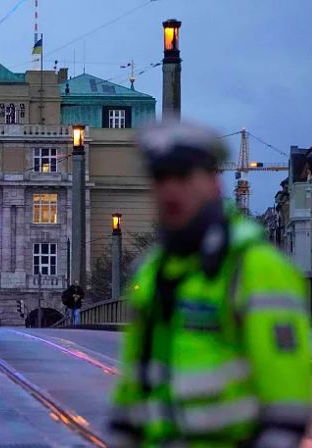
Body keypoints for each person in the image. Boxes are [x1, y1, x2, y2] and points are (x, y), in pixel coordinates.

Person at [109, 121, 311, 447]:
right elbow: (133, 392)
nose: (171, 190)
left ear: (213, 183)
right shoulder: (152, 272)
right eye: (161, 178)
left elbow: (287, 405)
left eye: (183, 176)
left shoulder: (256, 268)